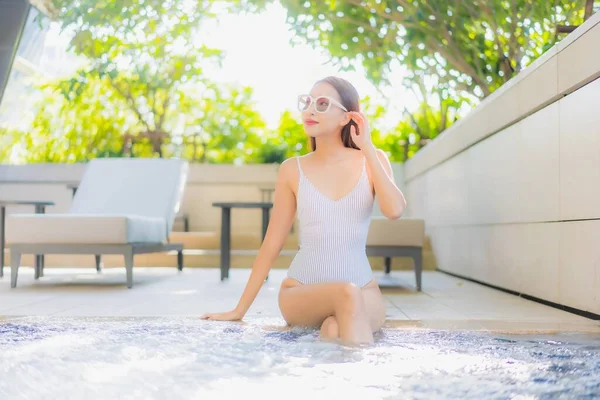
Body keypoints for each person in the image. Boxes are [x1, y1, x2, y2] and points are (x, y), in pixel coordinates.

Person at [201, 76, 407, 345]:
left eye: (322, 104)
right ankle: (365, 376)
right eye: (307, 102)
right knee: (346, 293)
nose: (310, 110)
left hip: (364, 292)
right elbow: (271, 244)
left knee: (335, 328)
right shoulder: (291, 169)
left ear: (347, 118)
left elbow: (394, 210)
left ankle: (337, 375)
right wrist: (239, 310)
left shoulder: (373, 159)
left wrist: (367, 147)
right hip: (301, 294)